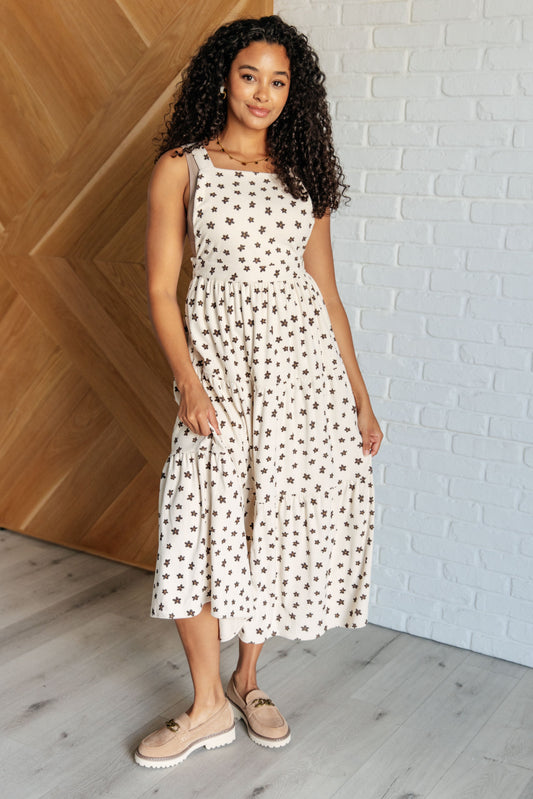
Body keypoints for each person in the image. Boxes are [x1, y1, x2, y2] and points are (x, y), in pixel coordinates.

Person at [135, 14, 383, 768]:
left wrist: (360, 397)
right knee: (199, 525)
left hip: (301, 376)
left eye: (279, 81)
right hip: (218, 373)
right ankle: (206, 704)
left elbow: (327, 293)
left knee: (270, 518)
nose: (263, 93)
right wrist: (188, 382)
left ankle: (247, 679)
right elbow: (157, 289)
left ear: (292, 91)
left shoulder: (304, 173)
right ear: (223, 76)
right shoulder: (183, 165)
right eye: (250, 75)